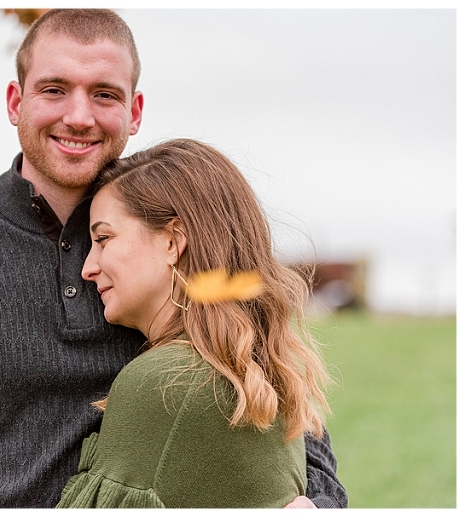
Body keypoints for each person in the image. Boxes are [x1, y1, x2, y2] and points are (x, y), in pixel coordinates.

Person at [0, 9, 347, 508]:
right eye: (54, 90)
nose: (79, 116)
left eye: (104, 94)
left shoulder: (177, 247)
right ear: (15, 102)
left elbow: (289, 424)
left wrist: (317, 506)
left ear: (134, 111)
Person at [56, 138, 332, 508]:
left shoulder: (163, 384)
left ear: (172, 241)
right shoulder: (260, 375)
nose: (88, 268)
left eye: (104, 238)